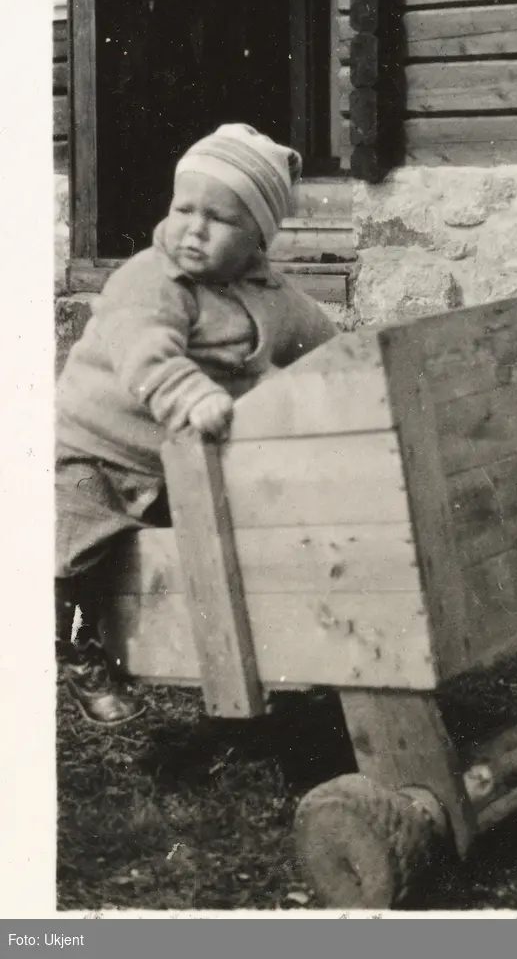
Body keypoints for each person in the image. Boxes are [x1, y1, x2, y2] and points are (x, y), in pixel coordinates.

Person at [55, 123, 338, 726]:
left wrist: (353, 369)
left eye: (220, 219)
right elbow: (144, 350)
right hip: (99, 448)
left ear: (260, 235)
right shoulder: (150, 280)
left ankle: (253, 651)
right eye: (184, 208)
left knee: (223, 545)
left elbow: (320, 342)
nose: (193, 229)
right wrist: (190, 394)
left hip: (185, 457)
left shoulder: (268, 292)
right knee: (78, 555)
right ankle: (78, 649)